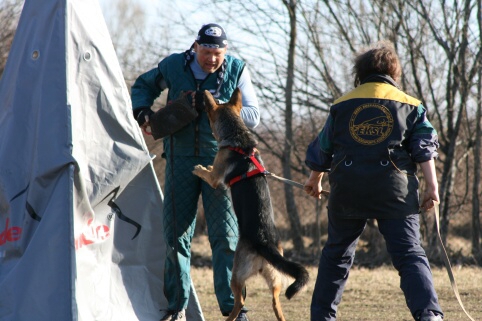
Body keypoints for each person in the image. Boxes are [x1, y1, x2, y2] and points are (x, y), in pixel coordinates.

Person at [303, 41, 444, 321]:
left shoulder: (341, 105)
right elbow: (424, 148)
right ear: (394, 71)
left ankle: (321, 317)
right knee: (409, 254)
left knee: (336, 255)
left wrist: (314, 179)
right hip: (395, 194)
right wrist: (432, 185)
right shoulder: (411, 105)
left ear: (361, 72)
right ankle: (429, 315)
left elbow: (324, 147)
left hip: (347, 192)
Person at [131, 23, 259, 321]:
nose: (211, 59)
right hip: (180, 161)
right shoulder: (174, 65)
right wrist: (143, 112)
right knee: (176, 236)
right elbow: (143, 86)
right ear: (195, 47)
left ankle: (234, 309)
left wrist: (219, 108)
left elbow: (252, 115)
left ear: (225, 52)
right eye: (206, 51)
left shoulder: (238, 70)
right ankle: (176, 307)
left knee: (225, 238)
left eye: (217, 53)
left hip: (223, 166)